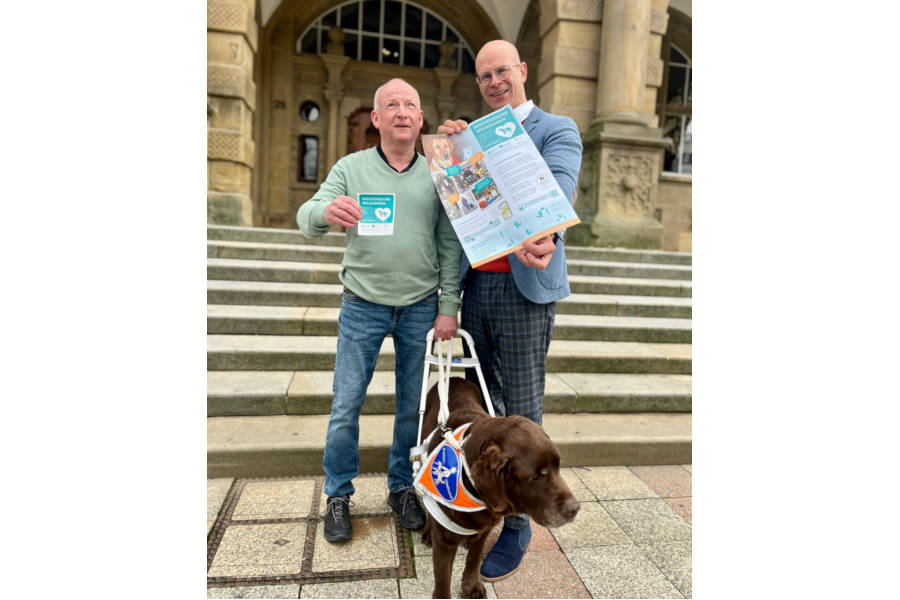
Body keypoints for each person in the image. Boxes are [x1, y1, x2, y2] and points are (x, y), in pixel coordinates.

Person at [437, 39, 583, 581]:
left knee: (521, 406)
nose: (495, 81)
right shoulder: (469, 137)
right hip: (478, 289)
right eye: (484, 76)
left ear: (522, 71)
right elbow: (459, 206)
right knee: (478, 405)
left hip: (526, 289)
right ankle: (476, 504)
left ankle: (520, 522)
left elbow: (559, 192)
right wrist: (449, 154)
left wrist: (545, 234)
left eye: (503, 71)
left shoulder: (555, 129)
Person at [297, 78, 462, 544]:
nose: (403, 112)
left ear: (421, 117)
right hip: (362, 306)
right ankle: (337, 494)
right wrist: (325, 213)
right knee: (346, 405)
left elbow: (450, 243)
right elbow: (306, 216)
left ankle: (402, 487)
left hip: (419, 307)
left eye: (411, 104)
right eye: (392, 104)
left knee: (411, 407)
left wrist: (448, 305)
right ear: (376, 118)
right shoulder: (350, 168)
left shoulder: (438, 172)